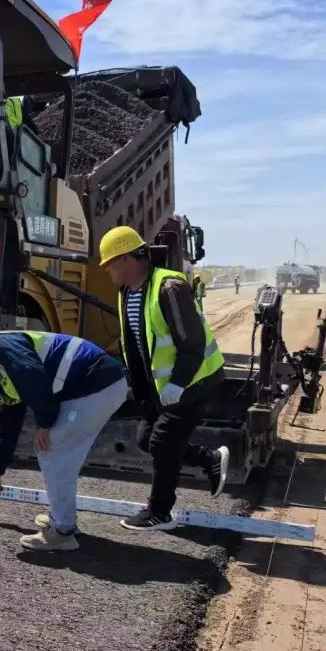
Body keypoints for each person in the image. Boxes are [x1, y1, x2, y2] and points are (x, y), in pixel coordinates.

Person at [0, 328, 129, 551]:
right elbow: (8, 424)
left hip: (95, 384)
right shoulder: (2, 370)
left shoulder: (0, 346)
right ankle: (62, 521)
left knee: (52, 449)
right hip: (97, 383)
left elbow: (33, 376)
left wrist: (45, 422)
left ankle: (62, 532)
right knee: (60, 455)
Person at [98, 226, 230, 531]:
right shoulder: (127, 292)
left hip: (194, 380)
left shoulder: (169, 287)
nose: (106, 271)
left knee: (162, 441)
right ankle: (208, 459)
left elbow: (193, 343)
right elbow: (139, 342)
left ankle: (159, 512)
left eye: (110, 263)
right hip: (164, 387)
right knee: (147, 439)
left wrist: (178, 383)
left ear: (129, 258)